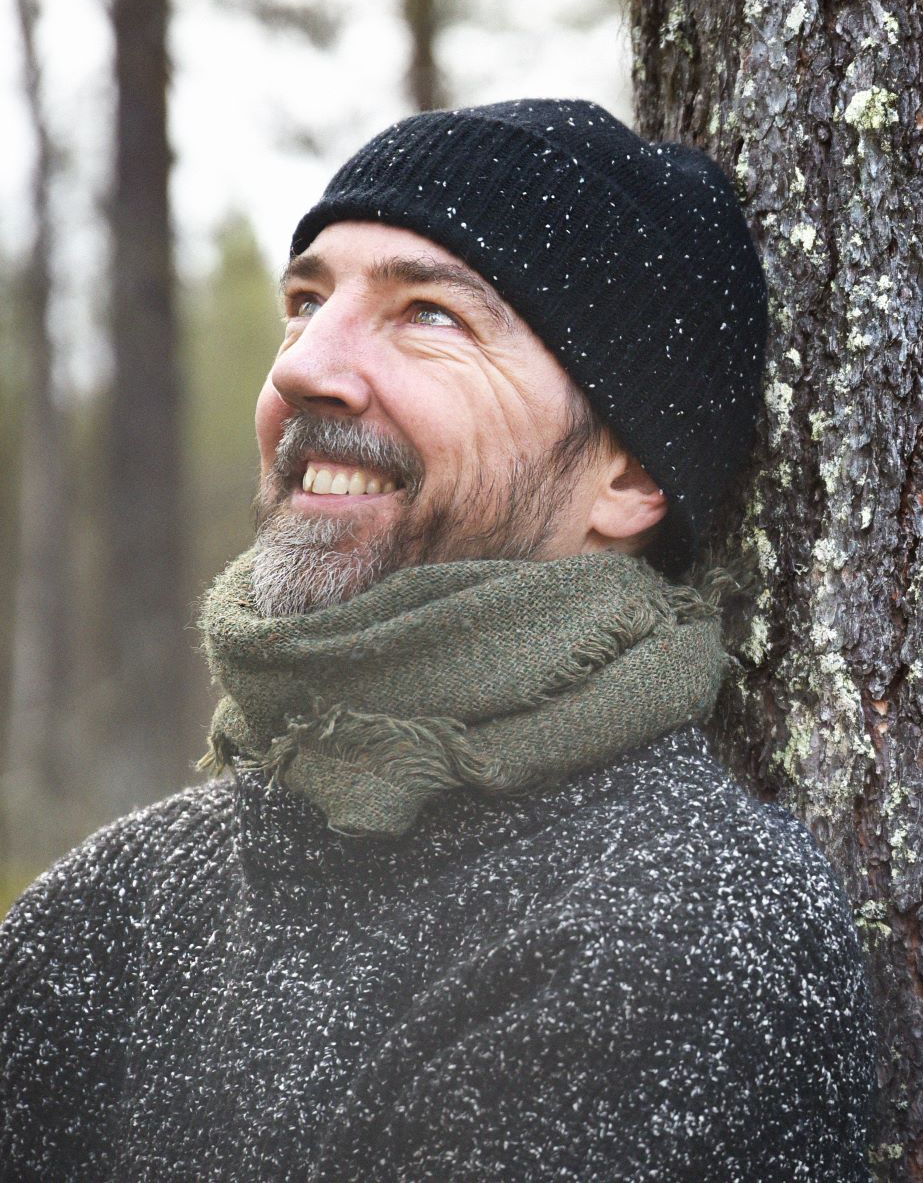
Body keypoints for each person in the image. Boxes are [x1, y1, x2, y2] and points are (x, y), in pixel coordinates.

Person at [0, 99, 877, 1179]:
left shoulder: (677, 924)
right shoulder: (115, 908)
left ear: (629, 474)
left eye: (429, 315)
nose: (305, 369)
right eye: (305, 301)